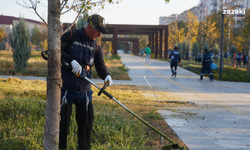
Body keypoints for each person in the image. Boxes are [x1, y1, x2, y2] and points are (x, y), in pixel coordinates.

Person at [59, 14, 113, 150]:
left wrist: (106, 76)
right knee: (62, 126)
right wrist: (70, 61)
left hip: (85, 92)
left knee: (86, 127)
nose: (100, 35)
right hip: (66, 90)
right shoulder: (71, 36)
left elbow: (101, 67)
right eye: (99, 31)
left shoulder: (96, 46)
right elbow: (55, 51)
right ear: (90, 26)